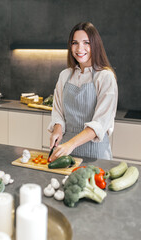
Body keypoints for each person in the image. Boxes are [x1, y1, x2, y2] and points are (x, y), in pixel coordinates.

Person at [48, 22, 118, 162]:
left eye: (86, 42)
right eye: (75, 43)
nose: (80, 48)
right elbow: (58, 111)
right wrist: (57, 128)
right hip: (65, 154)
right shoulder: (65, 75)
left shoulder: (105, 77)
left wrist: (71, 144)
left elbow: (100, 124)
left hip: (95, 155)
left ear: (95, 45)